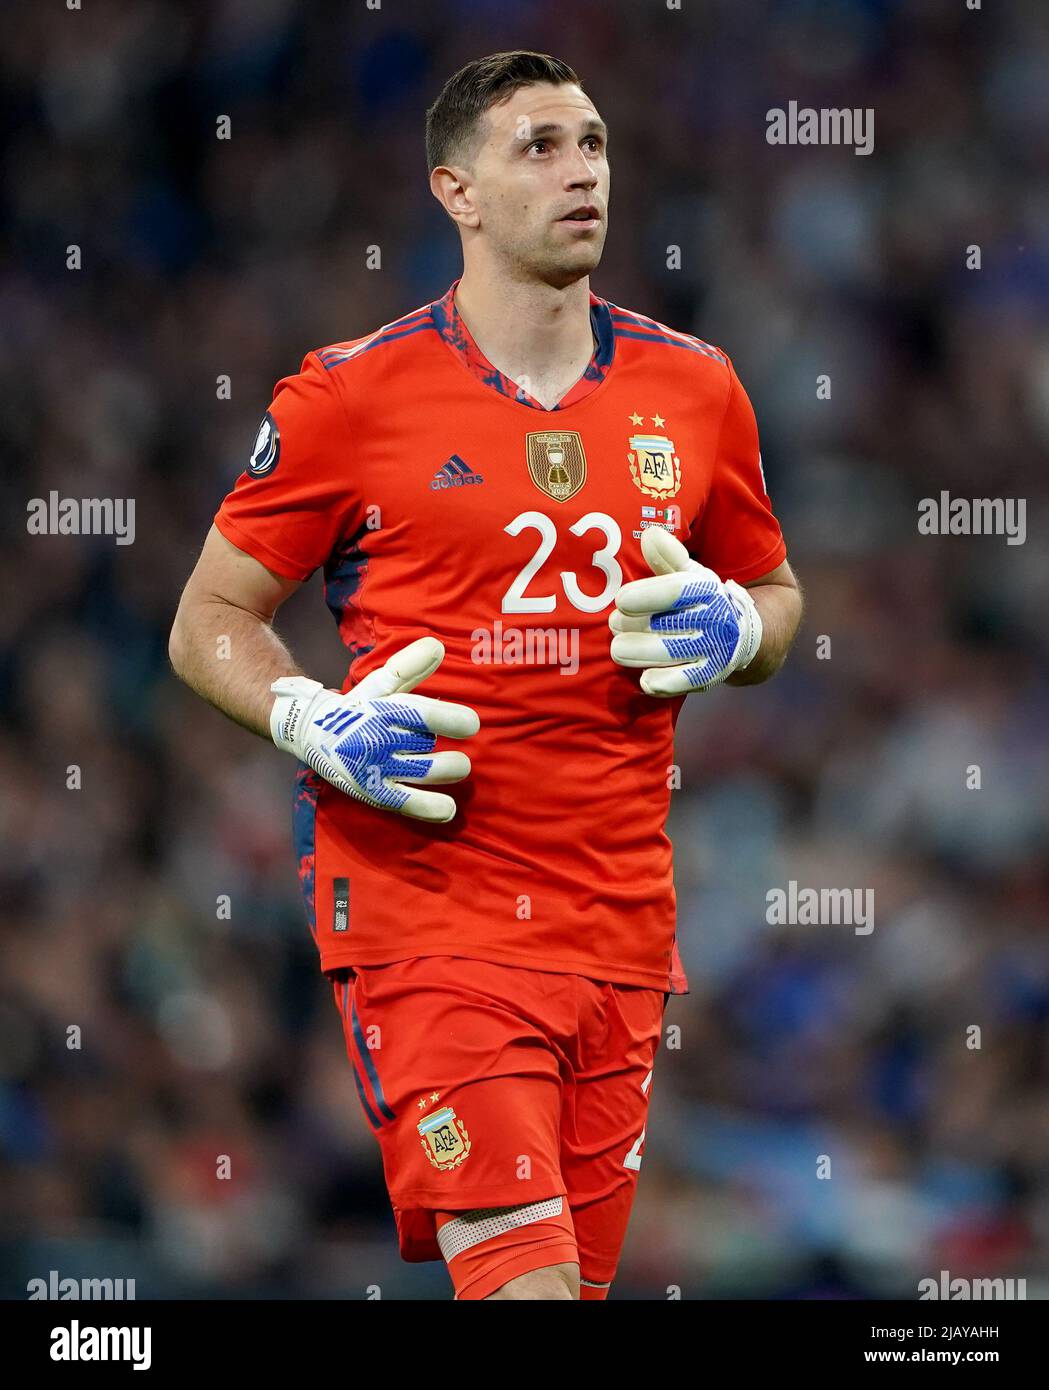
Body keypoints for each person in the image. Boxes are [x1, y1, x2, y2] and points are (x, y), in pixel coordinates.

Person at [169, 49, 802, 1301]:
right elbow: (207, 621)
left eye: (593, 144)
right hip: (429, 917)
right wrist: (309, 716)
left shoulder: (697, 389)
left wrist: (736, 631)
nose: (582, 172)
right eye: (539, 147)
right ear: (453, 191)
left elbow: (779, 602)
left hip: (619, 924)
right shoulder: (350, 395)